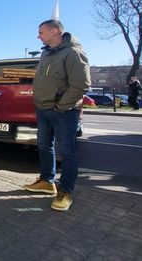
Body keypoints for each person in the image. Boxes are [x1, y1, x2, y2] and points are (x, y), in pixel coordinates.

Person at [23, 19, 90, 211]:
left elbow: (81, 85)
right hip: (43, 109)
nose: (38, 36)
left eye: (41, 32)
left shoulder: (73, 53)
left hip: (64, 112)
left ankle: (65, 191)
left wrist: (61, 107)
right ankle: (46, 182)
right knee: (44, 146)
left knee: (67, 152)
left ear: (54, 32)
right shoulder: (46, 53)